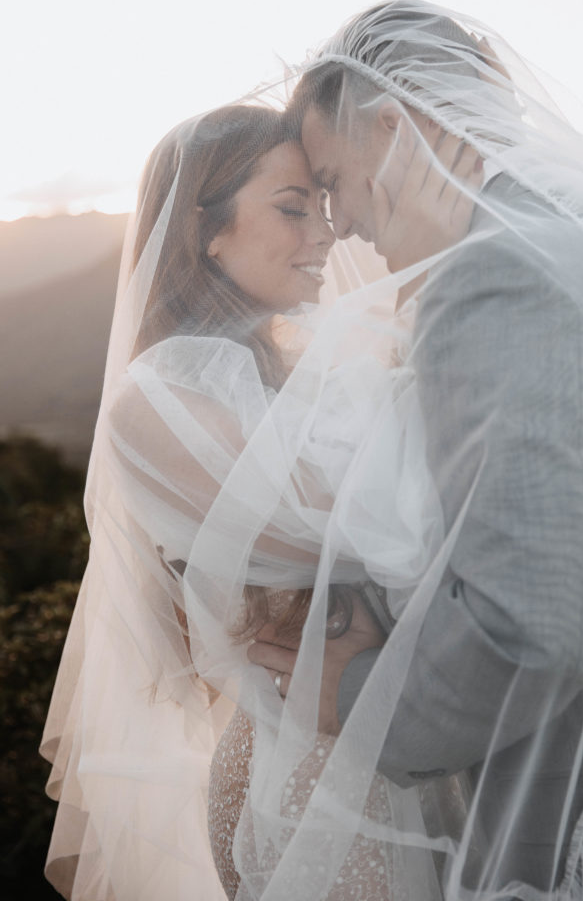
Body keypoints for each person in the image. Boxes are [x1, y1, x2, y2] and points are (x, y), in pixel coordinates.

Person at [248, 0, 583, 900]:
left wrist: (356, 699)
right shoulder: (577, 239)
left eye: (333, 180)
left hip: (581, 818)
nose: (342, 222)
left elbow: (533, 628)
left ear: (393, 128)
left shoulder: (496, 273)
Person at [40, 100, 475, 900]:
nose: (327, 233)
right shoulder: (157, 398)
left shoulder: (294, 372)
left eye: (323, 205)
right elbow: (364, 525)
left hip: (364, 755)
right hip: (314, 787)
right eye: (291, 208)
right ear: (206, 230)